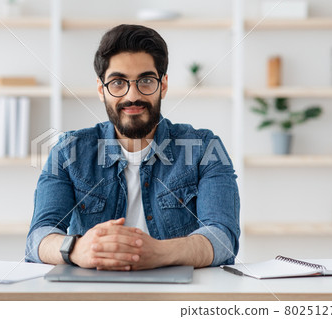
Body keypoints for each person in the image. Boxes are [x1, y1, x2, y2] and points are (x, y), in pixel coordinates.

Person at [25, 24, 240, 270]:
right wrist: (76, 249)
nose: (132, 96)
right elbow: (37, 238)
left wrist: (159, 252)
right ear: (100, 89)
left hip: (179, 295)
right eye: (118, 82)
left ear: (164, 85)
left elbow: (224, 239)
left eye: (146, 81)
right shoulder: (67, 151)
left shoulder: (205, 148)